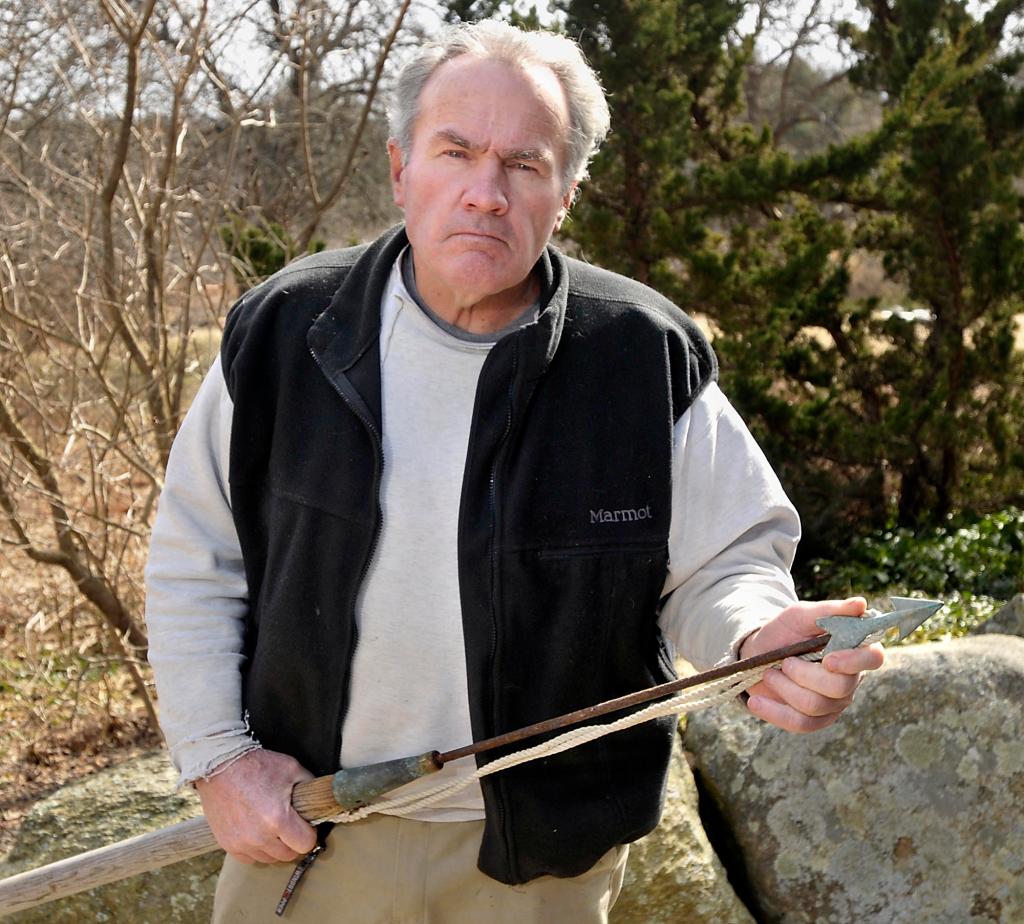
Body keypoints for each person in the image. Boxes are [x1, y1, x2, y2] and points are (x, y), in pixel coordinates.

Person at [145, 19, 884, 923]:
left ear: (565, 194)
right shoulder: (283, 333)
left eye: (525, 165)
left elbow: (723, 564)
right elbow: (195, 561)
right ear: (400, 168)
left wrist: (757, 639)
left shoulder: (640, 354)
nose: (485, 194)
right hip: (306, 832)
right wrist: (220, 760)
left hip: (543, 862)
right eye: (455, 152)